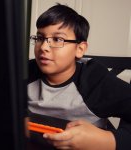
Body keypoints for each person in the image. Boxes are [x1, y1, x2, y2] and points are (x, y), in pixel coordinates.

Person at [27, 3, 131, 150]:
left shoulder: (95, 81)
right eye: (40, 38)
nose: (43, 47)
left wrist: (108, 141)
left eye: (57, 39)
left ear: (80, 49)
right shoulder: (24, 72)